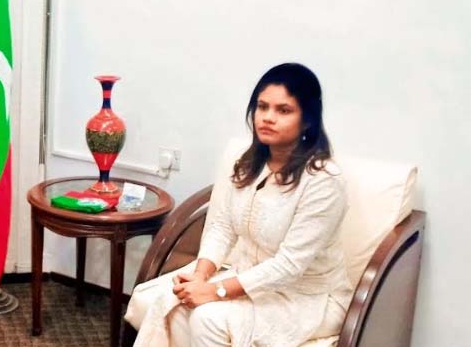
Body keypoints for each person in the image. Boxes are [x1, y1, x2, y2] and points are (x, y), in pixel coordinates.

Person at [125, 63, 352, 346]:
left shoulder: (323, 181)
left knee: (207, 318)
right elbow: (222, 226)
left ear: (307, 120)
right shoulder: (246, 164)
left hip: (308, 297)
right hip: (250, 279)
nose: (267, 117)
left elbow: (289, 265)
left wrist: (216, 291)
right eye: (262, 107)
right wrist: (200, 277)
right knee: (173, 304)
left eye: (283, 110)